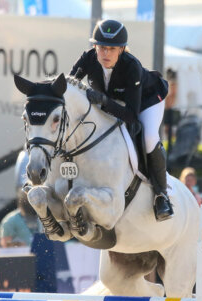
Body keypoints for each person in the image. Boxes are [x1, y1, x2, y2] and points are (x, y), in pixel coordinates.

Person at [69, 19, 172, 221]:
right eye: (102, 48)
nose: (106, 54)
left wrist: (103, 101)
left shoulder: (132, 67)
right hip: (115, 101)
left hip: (147, 101)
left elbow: (132, 116)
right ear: (94, 47)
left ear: (122, 49)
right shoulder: (88, 59)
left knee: (149, 137)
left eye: (112, 49)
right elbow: (69, 86)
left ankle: (161, 195)